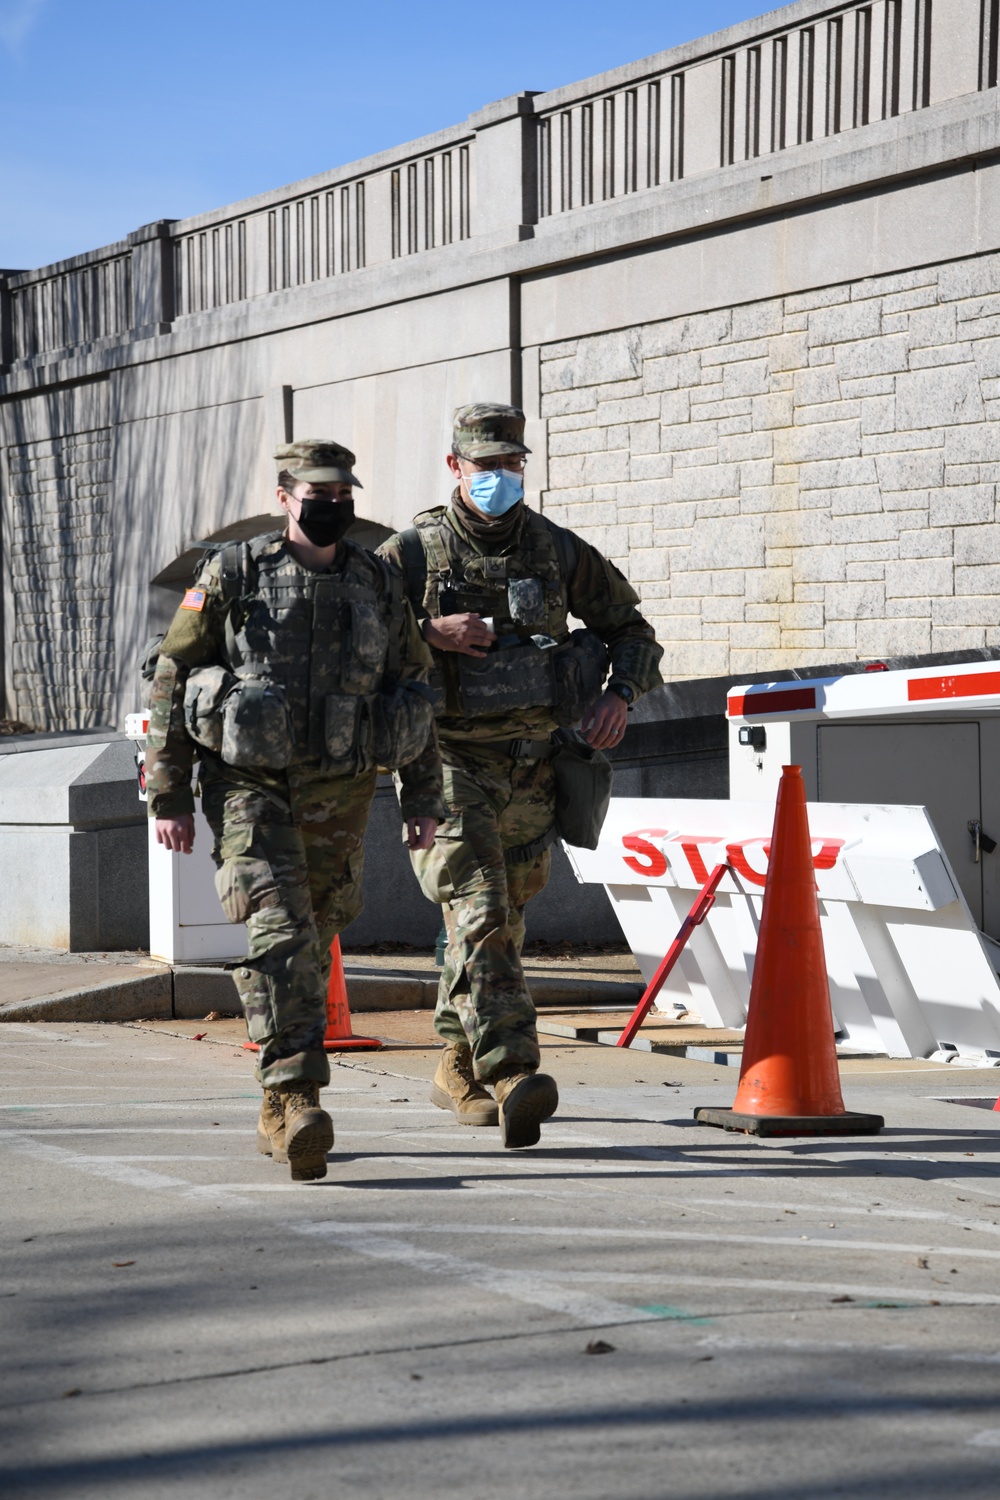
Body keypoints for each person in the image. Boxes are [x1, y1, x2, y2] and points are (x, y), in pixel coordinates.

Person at [146, 439, 444, 1181]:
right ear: (285, 495)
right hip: (248, 786)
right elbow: (172, 677)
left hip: (340, 792)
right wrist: (169, 792)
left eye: (345, 495)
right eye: (319, 492)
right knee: (276, 924)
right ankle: (297, 1092)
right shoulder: (235, 573)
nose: (333, 505)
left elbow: (414, 687)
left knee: (312, 940)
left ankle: (278, 1109)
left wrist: (424, 795)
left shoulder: (377, 581)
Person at [379, 403, 663, 1149]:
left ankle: (456, 1062)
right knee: (479, 907)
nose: (498, 477)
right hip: (444, 766)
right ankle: (513, 1072)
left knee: (496, 923)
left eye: (511, 465)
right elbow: (349, 649)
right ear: (454, 468)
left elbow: (631, 631)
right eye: (484, 466)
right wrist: (425, 633)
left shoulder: (558, 550)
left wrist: (619, 695)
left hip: (534, 771)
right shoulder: (409, 555)